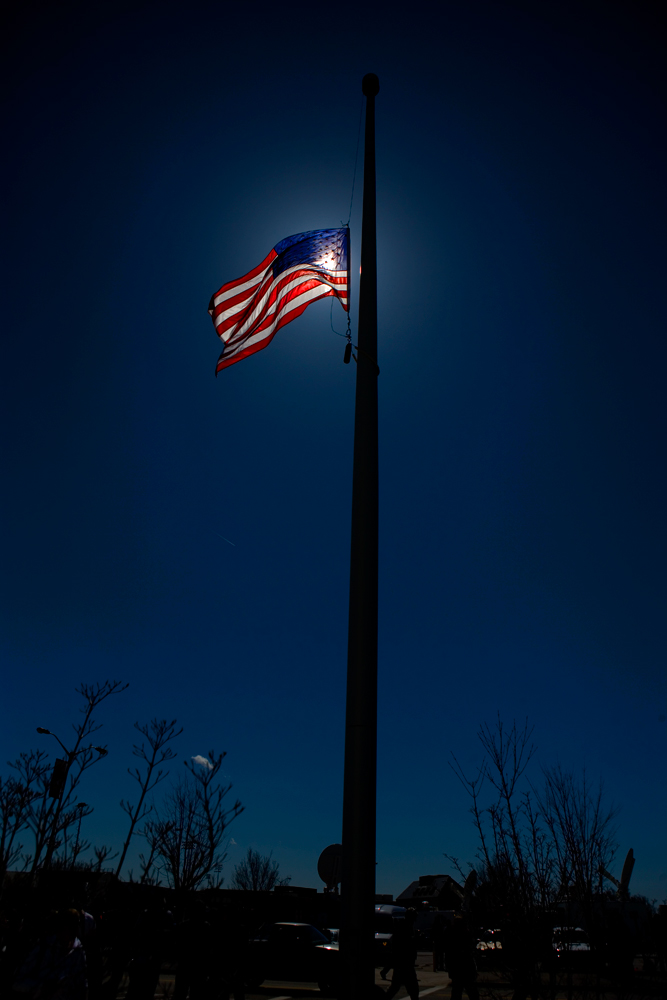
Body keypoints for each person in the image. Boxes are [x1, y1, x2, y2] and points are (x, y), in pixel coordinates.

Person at [13, 909, 87, 1000]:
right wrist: (42, 987)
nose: (74, 931)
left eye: (75, 926)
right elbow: (18, 982)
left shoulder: (78, 952)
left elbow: (82, 986)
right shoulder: (43, 947)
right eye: (70, 926)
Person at [383, 909, 419, 1000]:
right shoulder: (404, 928)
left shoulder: (407, 927)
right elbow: (401, 946)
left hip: (405, 962)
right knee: (409, 988)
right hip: (403, 962)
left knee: (397, 987)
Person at [442, 913, 479, 1000]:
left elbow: (448, 954)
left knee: (457, 992)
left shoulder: (451, 936)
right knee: (470, 991)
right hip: (465, 968)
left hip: (458, 968)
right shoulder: (465, 934)